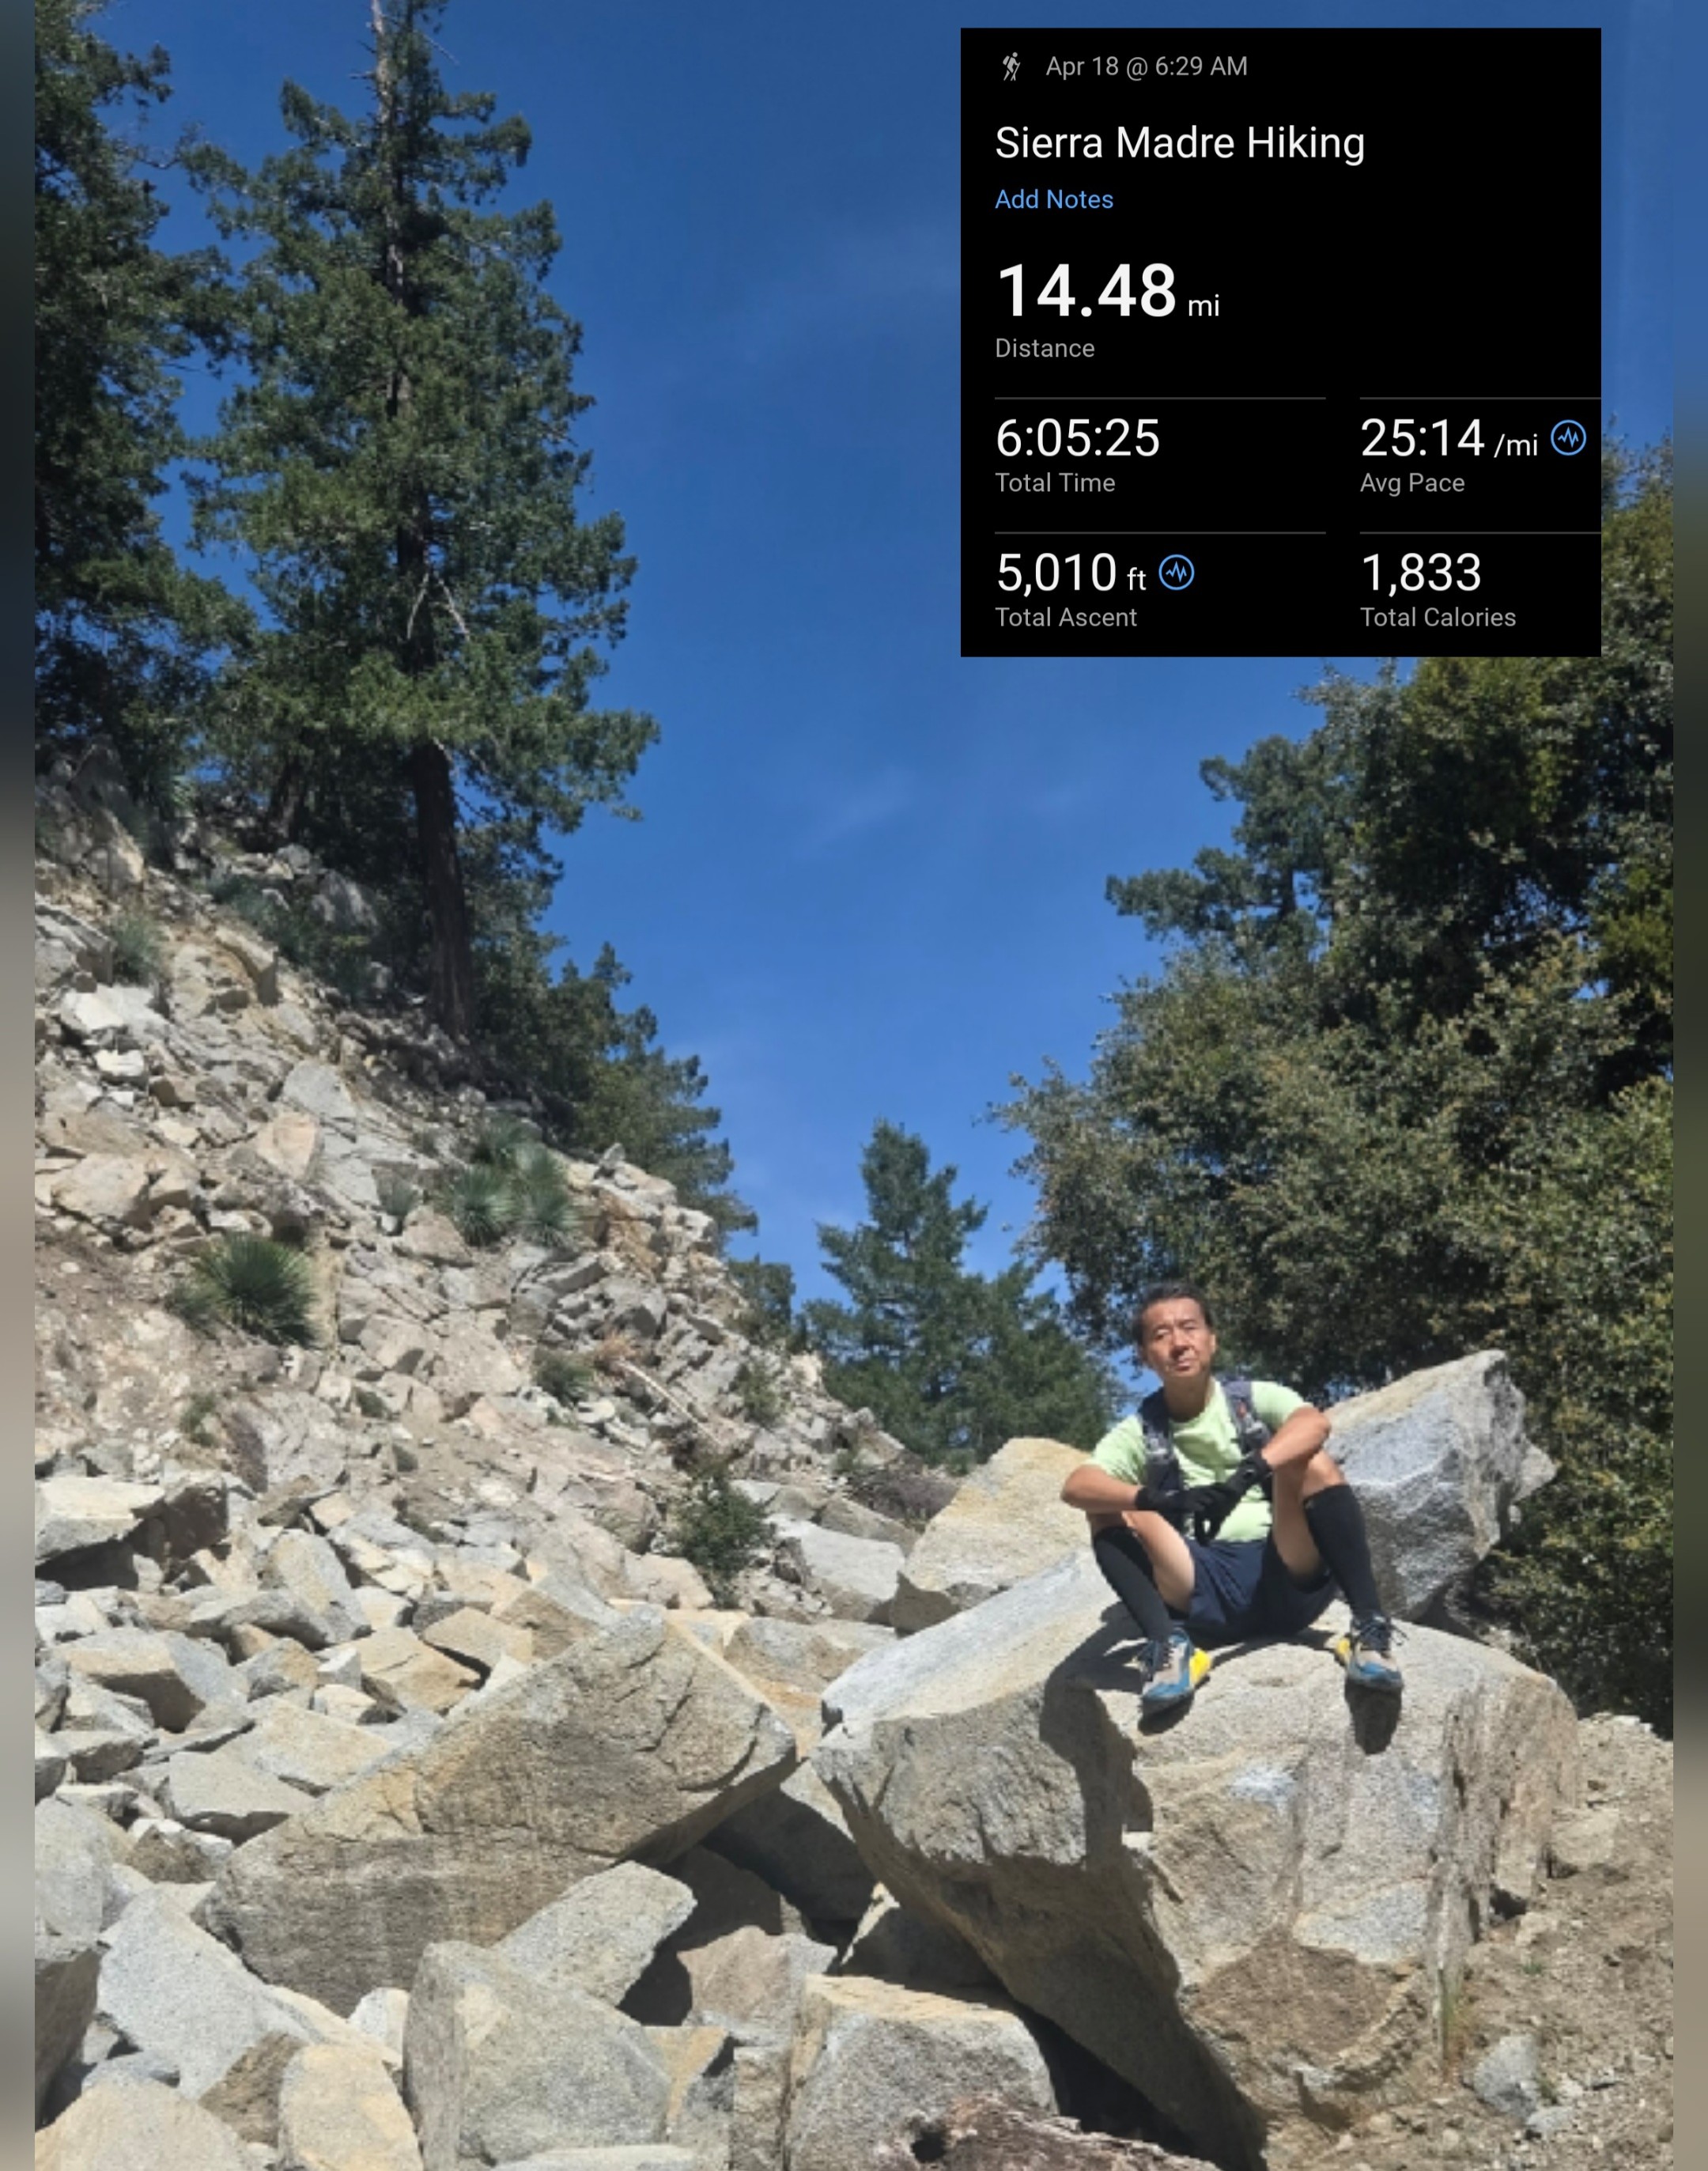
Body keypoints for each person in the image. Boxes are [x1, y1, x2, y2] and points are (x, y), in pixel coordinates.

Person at [1060, 1281, 1403, 1714]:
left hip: (1287, 1573)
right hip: (1203, 1589)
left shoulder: (1254, 1399)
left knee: (1313, 1462)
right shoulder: (1141, 1429)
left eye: (1190, 1328)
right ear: (1145, 1356)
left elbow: (1314, 1424)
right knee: (1110, 1506)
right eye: (1161, 1335)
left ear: (1212, 1339)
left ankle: (1369, 1630)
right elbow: (1076, 1486)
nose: (1179, 1343)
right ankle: (1169, 1649)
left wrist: (1248, 1475)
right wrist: (1160, 1500)